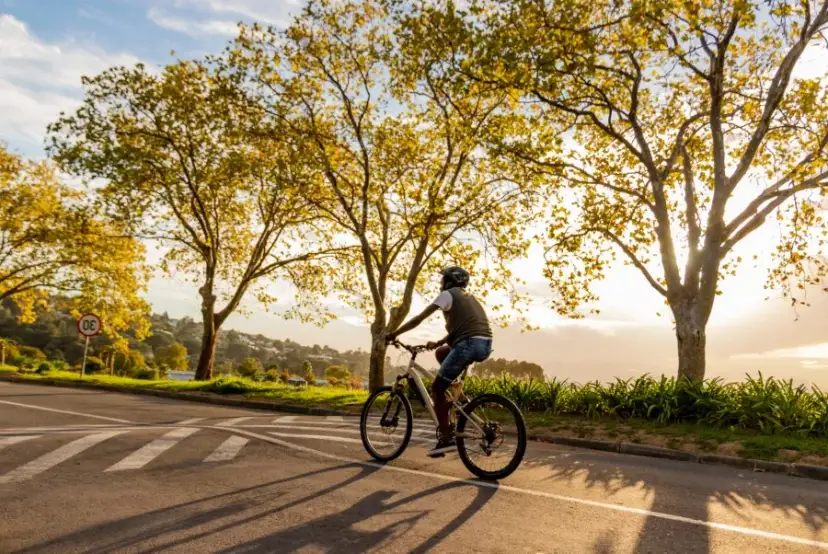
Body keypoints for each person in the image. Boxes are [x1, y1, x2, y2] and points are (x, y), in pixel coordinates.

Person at [386, 266, 493, 457]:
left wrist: (395, 333)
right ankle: (456, 393)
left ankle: (446, 437)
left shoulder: (447, 295)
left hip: (467, 344)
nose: (440, 283)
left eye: (443, 279)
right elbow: (464, 327)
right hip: (483, 344)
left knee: (436, 388)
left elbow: (419, 319)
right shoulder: (469, 297)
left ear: (450, 281)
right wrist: (439, 342)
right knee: (442, 353)